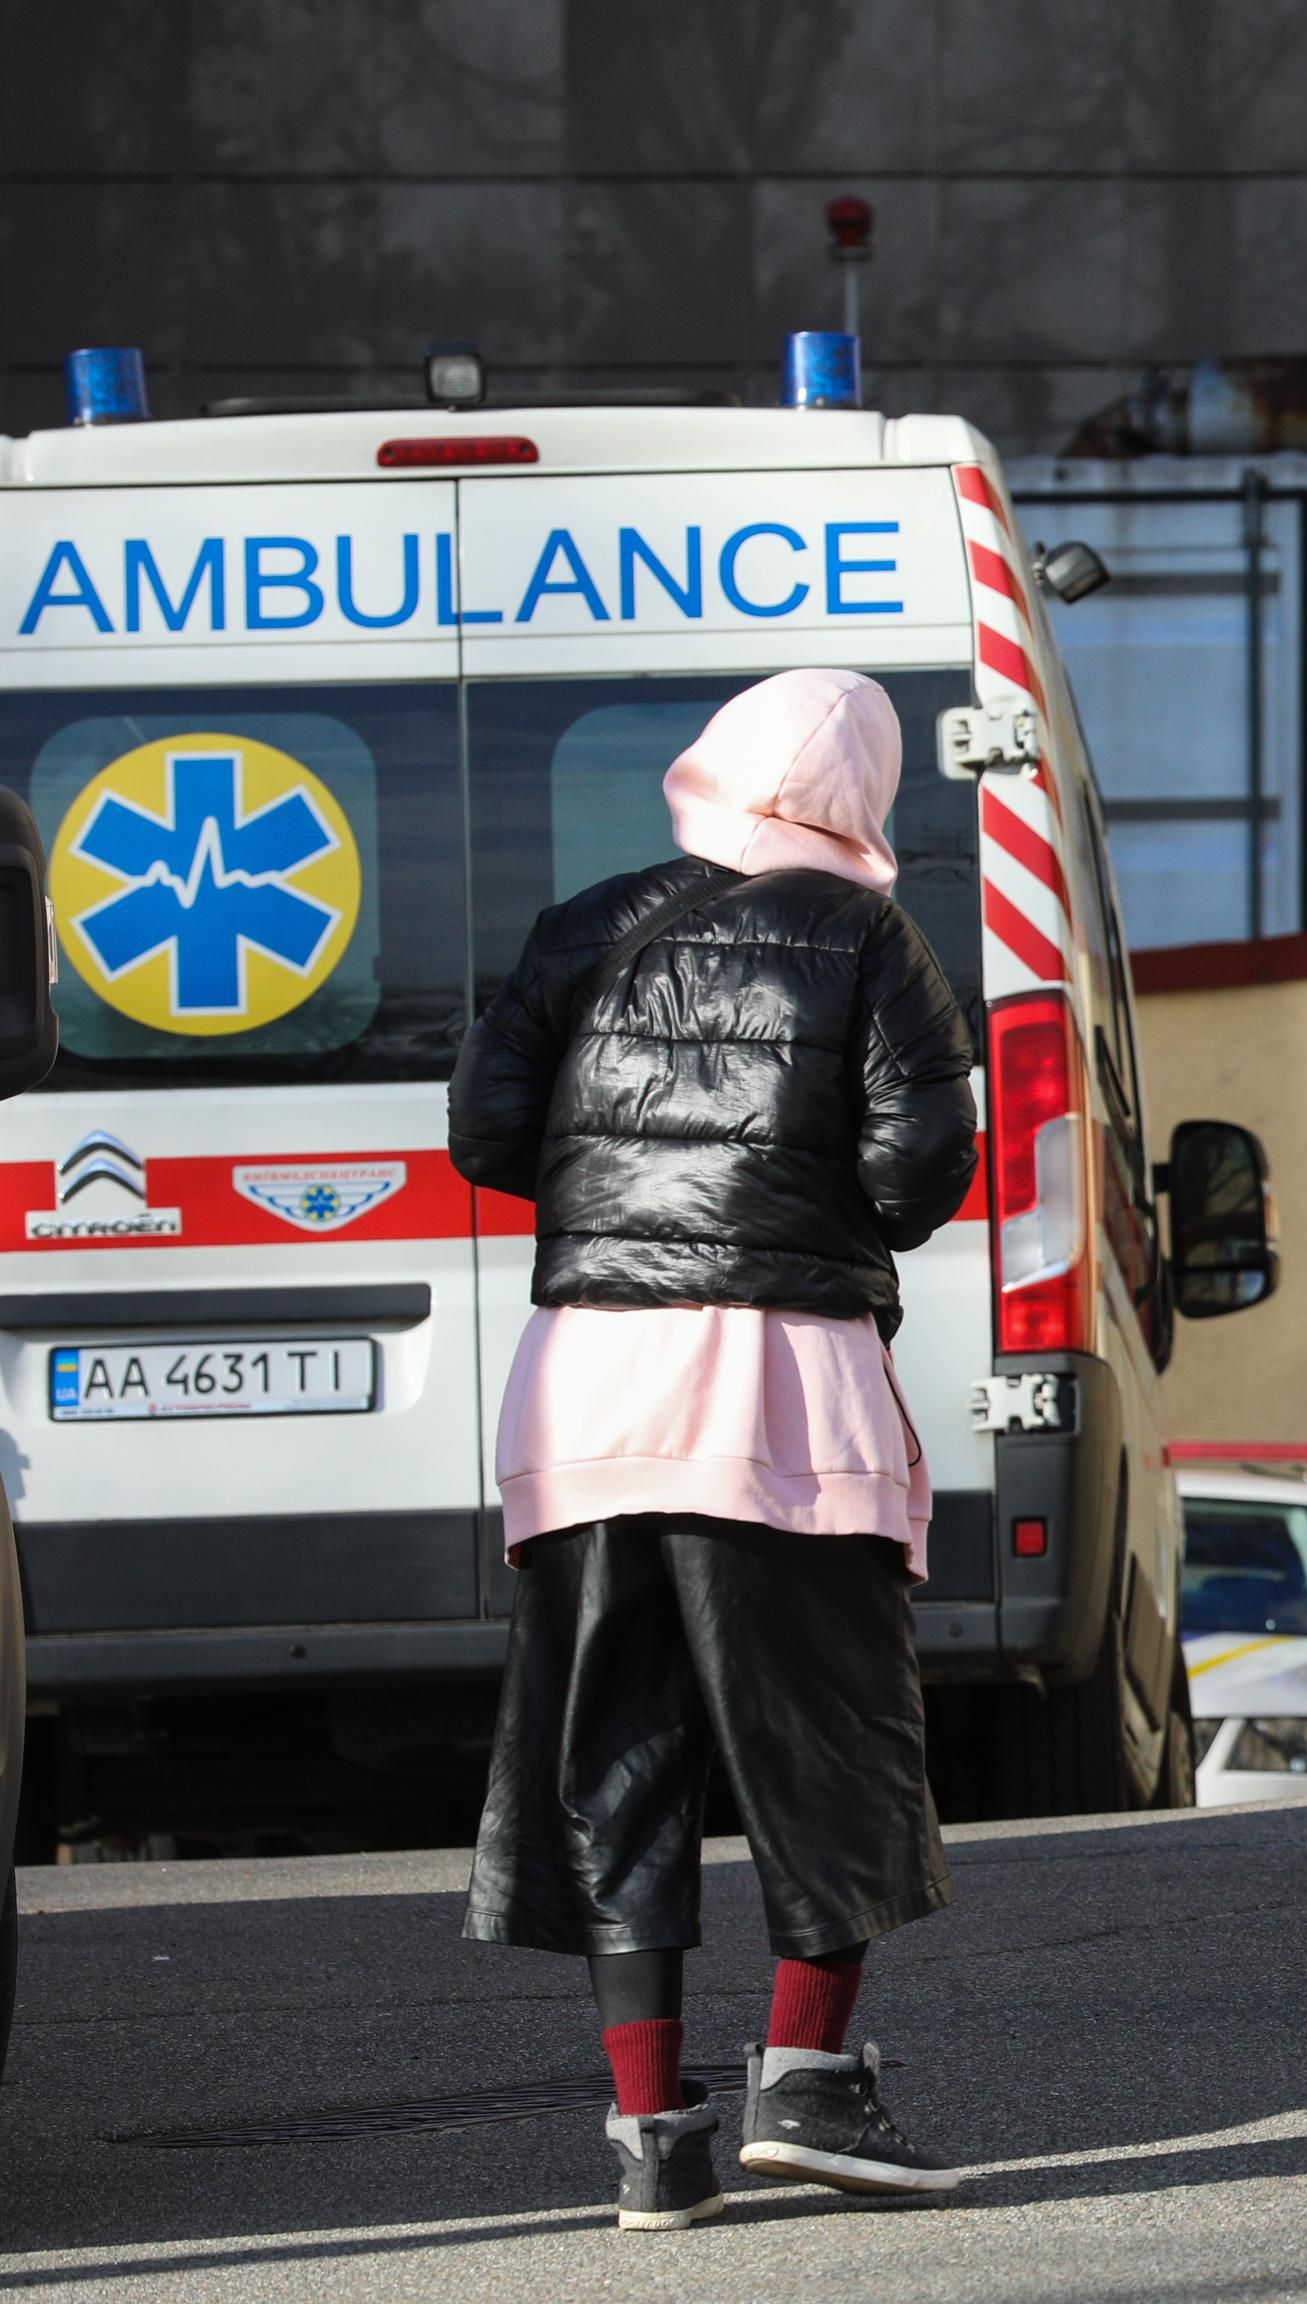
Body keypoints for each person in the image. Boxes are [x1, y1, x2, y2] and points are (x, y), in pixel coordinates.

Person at [449, 668, 979, 2230]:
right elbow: (920, 1154)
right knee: (830, 1745)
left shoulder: (583, 926)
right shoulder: (870, 937)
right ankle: (809, 2085)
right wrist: (814, 1210)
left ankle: (650, 2139)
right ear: (862, 797)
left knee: (614, 1753)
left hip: (586, 1392)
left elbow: (486, 1133)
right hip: (781, 1388)